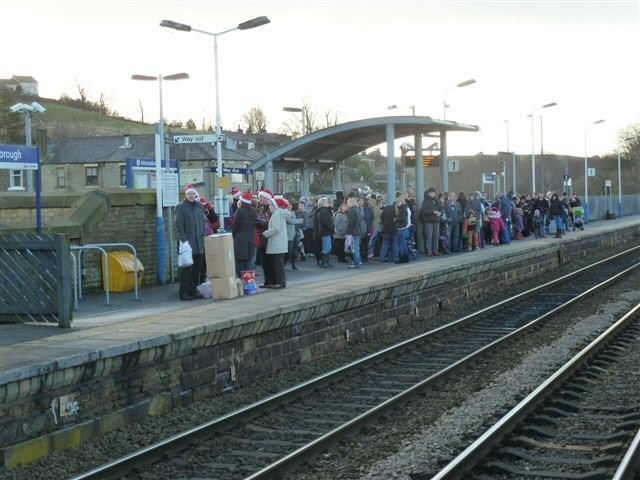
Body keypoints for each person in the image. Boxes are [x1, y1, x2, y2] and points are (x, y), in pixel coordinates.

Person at [175, 184, 206, 301]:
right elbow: (179, 224)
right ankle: (184, 292)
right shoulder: (181, 207)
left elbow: (202, 222)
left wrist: (203, 235)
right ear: (186, 195)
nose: (191, 196)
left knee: (197, 268)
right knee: (187, 269)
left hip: (199, 242)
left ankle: (193, 290)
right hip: (188, 243)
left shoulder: (199, 206)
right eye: (189, 194)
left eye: (193, 194)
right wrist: (183, 239)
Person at [261, 197, 288, 288]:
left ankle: (280, 282)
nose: (269, 207)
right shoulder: (280, 214)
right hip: (280, 243)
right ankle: (280, 282)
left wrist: (265, 233)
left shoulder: (276, 214)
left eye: (270, 205)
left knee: (278, 264)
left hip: (277, 243)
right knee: (278, 264)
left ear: (275, 206)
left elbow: (276, 228)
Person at [231, 191, 256, 276]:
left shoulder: (239, 211)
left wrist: (233, 235)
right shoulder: (253, 212)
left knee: (240, 263)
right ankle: (248, 282)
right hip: (250, 240)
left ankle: (241, 281)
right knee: (248, 263)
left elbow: (234, 226)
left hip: (240, 240)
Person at [419, 187, 442, 256]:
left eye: (433, 192)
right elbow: (423, 211)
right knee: (429, 237)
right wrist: (432, 211)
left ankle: (435, 250)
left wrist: (440, 212)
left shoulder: (437, 200)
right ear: (428, 193)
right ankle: (429, 251)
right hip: (428, 221)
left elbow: (442, 208)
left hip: (436, 221)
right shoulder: (425, 201)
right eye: (431, 193)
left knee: (436, 236)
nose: (432, 194)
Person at [315, 196, 335, 268]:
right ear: (323, 203)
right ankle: (324, 262)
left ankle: (326, 262)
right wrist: (331, 227)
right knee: (326, 247)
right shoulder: (323, 211)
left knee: (328, 247)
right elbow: (325, 222)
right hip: (325, 231)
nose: (328, 203)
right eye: (326, 202)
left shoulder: (324, 210)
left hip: (326, 231)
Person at [283, 199, 303, 270]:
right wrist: (299, 221)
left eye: (290, 204)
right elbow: (290, 221)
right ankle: (283, 264)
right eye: (288, 204)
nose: (289, 206)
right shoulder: (285, 213)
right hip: (288, 234)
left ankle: (293, 264)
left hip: (295, 233)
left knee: (295, 250)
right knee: (289, 250)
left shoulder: (295, 212)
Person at [346, 197, 366, 268]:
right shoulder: (357, 210)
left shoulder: (352, 211)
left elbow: (350, 223)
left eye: (348, 202)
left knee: (354, 248)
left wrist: (348, 232)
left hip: (354, 232)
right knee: (357, 247)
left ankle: (356, 263)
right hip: (358, 231)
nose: (347, 204)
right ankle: (358, 261)